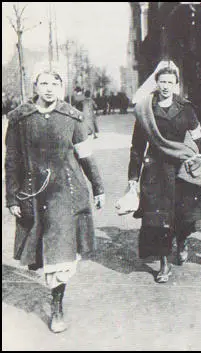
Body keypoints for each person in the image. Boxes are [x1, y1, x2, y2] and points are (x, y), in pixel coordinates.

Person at [4, 63, 105, 333]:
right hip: (33, 193)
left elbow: (85, 155)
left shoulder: (72, 117)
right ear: (36, 86)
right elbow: (11, 160)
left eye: (55, 84)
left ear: (61, 88)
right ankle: (55, 295)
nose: (49, 89)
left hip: (65, 193)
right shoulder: (19, 119)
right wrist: (12, 198)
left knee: (60, 253)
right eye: (44, 84)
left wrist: (99, 187)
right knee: (39, 251)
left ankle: (57, 307)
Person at [127, 61, 201, 283]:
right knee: (157, 218)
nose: (165, 86)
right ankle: (164, 264)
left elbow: (198, 142)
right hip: (155, 171)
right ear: (156, 82)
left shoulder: (186, 109)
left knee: (182, 216)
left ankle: (182, 241)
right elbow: (137, 146)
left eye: (170, 82)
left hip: (182, 170)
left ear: (176, 85)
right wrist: (133, 177)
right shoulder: (145, 110)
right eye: (162, 81)